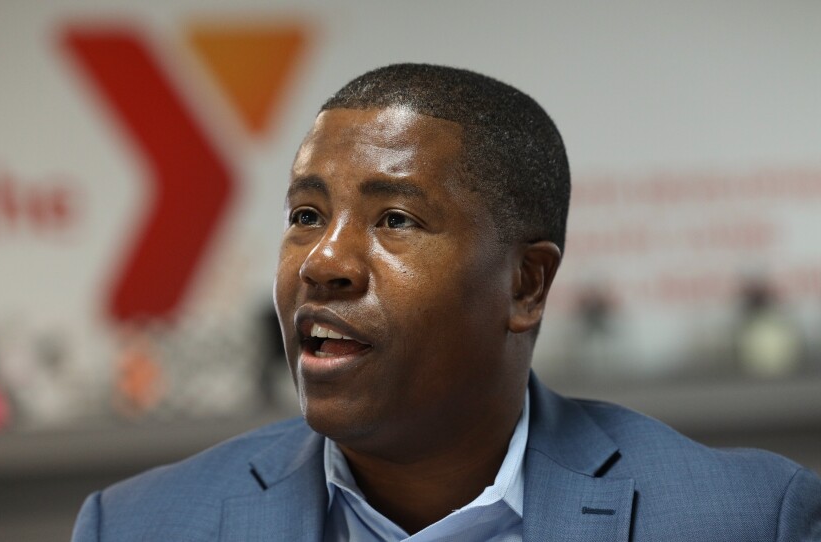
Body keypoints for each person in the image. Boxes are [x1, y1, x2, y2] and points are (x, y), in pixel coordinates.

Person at [72, 64, 821, 541]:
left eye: (394, 219)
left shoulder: (749, 518)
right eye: (305, 216)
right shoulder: (136, 526)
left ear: (525, 285)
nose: (324, 261)